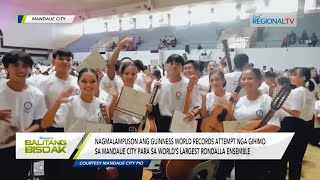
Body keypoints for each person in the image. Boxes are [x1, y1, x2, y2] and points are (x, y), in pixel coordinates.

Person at [41, 68, 117, 180]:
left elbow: (105, 125)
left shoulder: (101, 104)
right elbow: (45, 124)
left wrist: (114, 98)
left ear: (97, 83)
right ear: (78, 83)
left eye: (92, 81)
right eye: (84, 81)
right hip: (71, 153)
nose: (88, 85)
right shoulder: (70, 102)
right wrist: (57, 103)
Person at [0, 50, 47, 180]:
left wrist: (26, 133)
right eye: (16, 65)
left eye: (25, 66)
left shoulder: (37, 95)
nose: (21, 69)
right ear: (6, 67)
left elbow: (39, 122)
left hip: (20, 147)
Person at [233, 68, 281, 180]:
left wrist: (251, 134)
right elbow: (235, 123)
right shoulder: (239, 101)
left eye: (250, 78)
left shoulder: (266, 100)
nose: (245, 81)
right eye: (243, 79)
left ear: (259, 81)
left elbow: (274, 126)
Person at [279, 67, 315, 180]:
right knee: (297, 160)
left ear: (303, 78)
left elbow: (295, 112)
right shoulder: (309, 93)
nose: (291, 77)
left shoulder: (297, 91)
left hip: (292, 125)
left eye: (294, 75)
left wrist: (280, 104)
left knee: (284, 158)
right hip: (305, 126)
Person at [152, 54, 201, 133]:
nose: (174, 66)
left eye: (177, 64)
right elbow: (152, 104)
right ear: (166, 66)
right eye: (171, 63)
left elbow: (198, 105)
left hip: (183, 121)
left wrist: (192, 113)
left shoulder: (189, 84)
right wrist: (152, 89)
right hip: (164, 122)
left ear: (182, 67)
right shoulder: (160, 84)